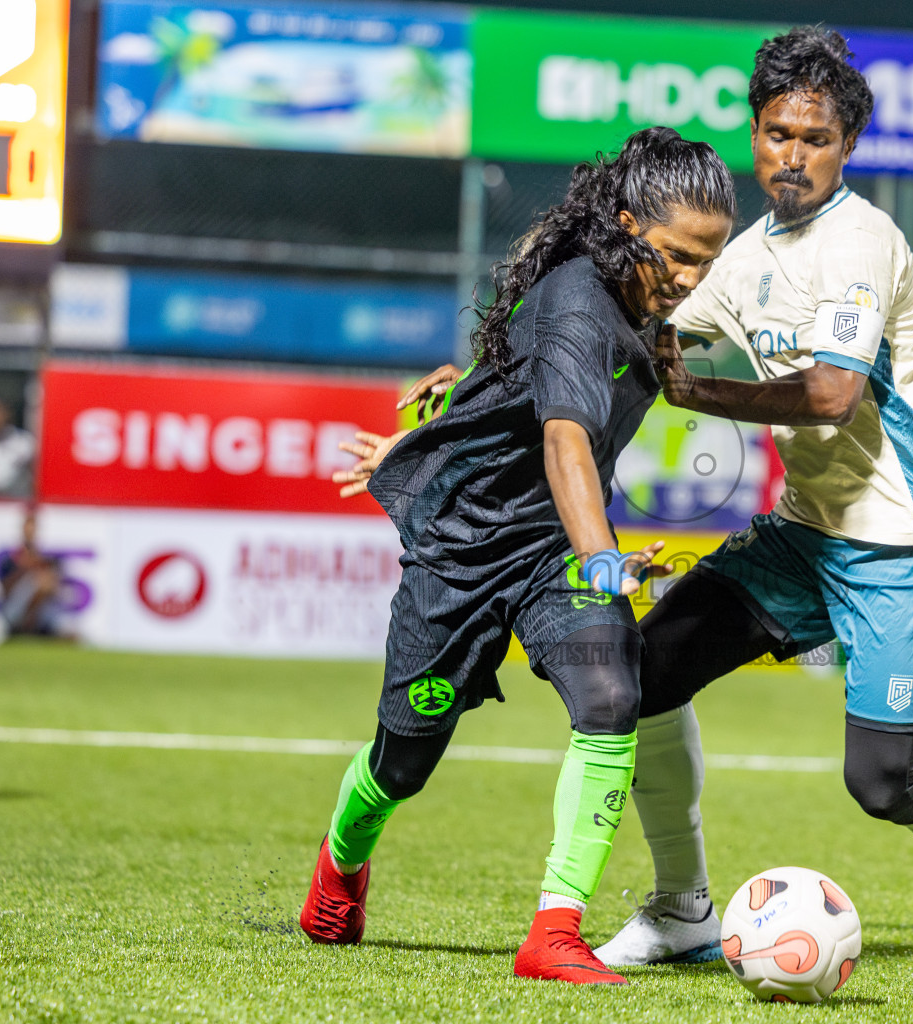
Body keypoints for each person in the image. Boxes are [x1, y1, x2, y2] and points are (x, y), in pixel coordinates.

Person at [589, 27, 913, 965]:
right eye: (778, 133)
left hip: (903, 543)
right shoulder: (744, 254)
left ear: (845, 145)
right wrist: (531, 348)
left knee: (881, 782)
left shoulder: (861, 243)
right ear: (755, 132)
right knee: (643, 680)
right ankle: (683, 907)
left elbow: (830, 397)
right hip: (804, 537)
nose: (793, 154)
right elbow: (649, 326)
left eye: (815, 139)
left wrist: (698, 391)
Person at [298, 127, 736, 986]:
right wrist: (604, 562)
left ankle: (555, 930)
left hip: (551, 557)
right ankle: (343, 857)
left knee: (613, 694)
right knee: (403, 761)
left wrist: (462, 391)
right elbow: (566, 443)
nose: (690, 279)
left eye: (707, 260)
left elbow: (520, 369)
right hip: (462, 552)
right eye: (678, 258)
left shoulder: (643, 298)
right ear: (625, 224)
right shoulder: (582, 299)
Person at [0, 510, 66, 637]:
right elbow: (4, 589)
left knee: (48, 581)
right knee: (43, 581)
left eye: (33, 529)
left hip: (33, 613)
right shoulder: (11, 559)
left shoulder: (41, 559)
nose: (31, 533)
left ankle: (39, 626)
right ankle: (25, 627)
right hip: (14, 610)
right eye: (28, 529)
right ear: (23, 530)